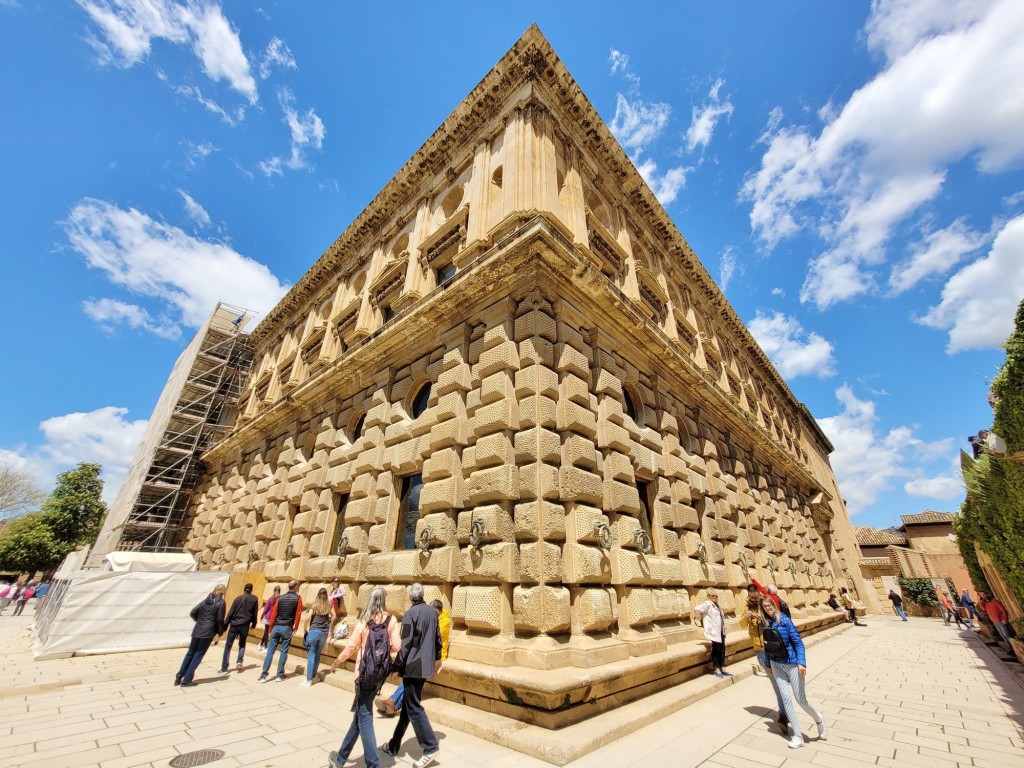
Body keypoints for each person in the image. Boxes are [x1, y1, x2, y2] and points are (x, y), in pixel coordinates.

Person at [328, 586, 401, 768]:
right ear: (384, 601)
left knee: (365, 717)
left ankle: (373, 764)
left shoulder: (364, 621)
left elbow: (352, 647)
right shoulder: (391, 621)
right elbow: (397, 646)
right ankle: (340, 759)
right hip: (378, 676)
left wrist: (337, 661)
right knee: (359, 718)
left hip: (363, 675)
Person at [380, 583, 442, 768]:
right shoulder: (432, 612)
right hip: (426, 666)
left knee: (413, 706)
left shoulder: (410, 614)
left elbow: (405, 645)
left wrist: (396, 666)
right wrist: (437, 659)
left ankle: (430, 746)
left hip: (413, 666)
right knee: (408, 708)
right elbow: (438, 640)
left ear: (410, 597)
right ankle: (393, 745)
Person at [760, 596, 827, 749]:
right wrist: (768, 663)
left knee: (801, 700)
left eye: (770, 605)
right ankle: (797, 736)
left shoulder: (785, 621)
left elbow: (798, 643)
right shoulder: (765, 622)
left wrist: (802, 663)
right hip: (776, 664)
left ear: (775, 606)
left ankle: (819, 719)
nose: (768, 608)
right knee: (785, 698)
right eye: (765, 606)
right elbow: (768, 644)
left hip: (791, 663)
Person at [377, 599, 450, 717]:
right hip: (424, 653)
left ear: (438, 610)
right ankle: (394, 704)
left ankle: (393, 701)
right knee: (409, 680)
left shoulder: (444, 620)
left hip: (434, 655)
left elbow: (434, 639)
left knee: (410, 680)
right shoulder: (433, 618)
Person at [740, 586, 787, 732]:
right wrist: (745, 617)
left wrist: (763, 620)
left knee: (778, 681)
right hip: (760, 649)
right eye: (751, 597)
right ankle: (784, 713)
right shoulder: (747, 604)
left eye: (755, 596)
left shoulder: (766, 603)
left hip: (772, 646)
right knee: (775, 681)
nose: (753, 599)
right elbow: (742, 625)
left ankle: (784, 714)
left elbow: (778, 620)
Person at [175, 584, 227, 686]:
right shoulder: (221, 603)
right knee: (198, 655)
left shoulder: (205, 600)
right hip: (208, 632)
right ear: (223, 592)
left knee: (190, 653)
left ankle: (180, 675)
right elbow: (220, 619)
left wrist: (199, 621)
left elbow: (193, 612)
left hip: (197, 630)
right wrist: (220, 631)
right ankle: (187, 679)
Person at [259, 580, 303, 683]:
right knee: (284, 651)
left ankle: (263, 675)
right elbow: (298, 614)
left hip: (276, 626)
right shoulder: (298, 598)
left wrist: (271, 627)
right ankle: (279, 675)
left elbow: (274, 613)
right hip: (287, 627)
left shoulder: (280, 598)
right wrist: (295, 627)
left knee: (270, 651)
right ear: (296, 587)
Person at [220, 582, 259, 673]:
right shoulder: (254, 599)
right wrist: (254, 624)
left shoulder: (238, 599)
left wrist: (225, 625)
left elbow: (231, 613)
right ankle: (239, 661)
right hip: (245, 624)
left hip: (235, 624)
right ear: (251, 590)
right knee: (242, 644)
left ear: (244, 589)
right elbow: (255, 613)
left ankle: (224, 668)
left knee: (228, 646)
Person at [300, 587, 334, 687]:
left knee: (311, 655)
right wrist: (328, 623)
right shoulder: (329, 605)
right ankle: (313, 677)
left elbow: (307, 618)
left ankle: (308, 680)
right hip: (324, 632)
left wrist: (304, 629)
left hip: (314, 631)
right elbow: (334, 616)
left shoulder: (314, 605)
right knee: (317, 655)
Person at [694, 589, 730, 678]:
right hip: (714, 630)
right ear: (708, 596)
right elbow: (697, 609)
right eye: (712, 595)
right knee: (716, 648)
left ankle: (722, 667)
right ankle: (716, 668)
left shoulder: (717, 604)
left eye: (716, 595)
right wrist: (700, 619)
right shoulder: (707, 604)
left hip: (721, 629)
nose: (714, 597)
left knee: (722, 648)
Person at [258, 585, 281, 654]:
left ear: (274, 590)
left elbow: (266, 608)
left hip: (268, 617)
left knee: (266, 631)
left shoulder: (271, 598)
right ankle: (261, 644)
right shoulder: (280, 599)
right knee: (267, 632)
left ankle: (265, 647)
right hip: (275, 618)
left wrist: (262, 615)